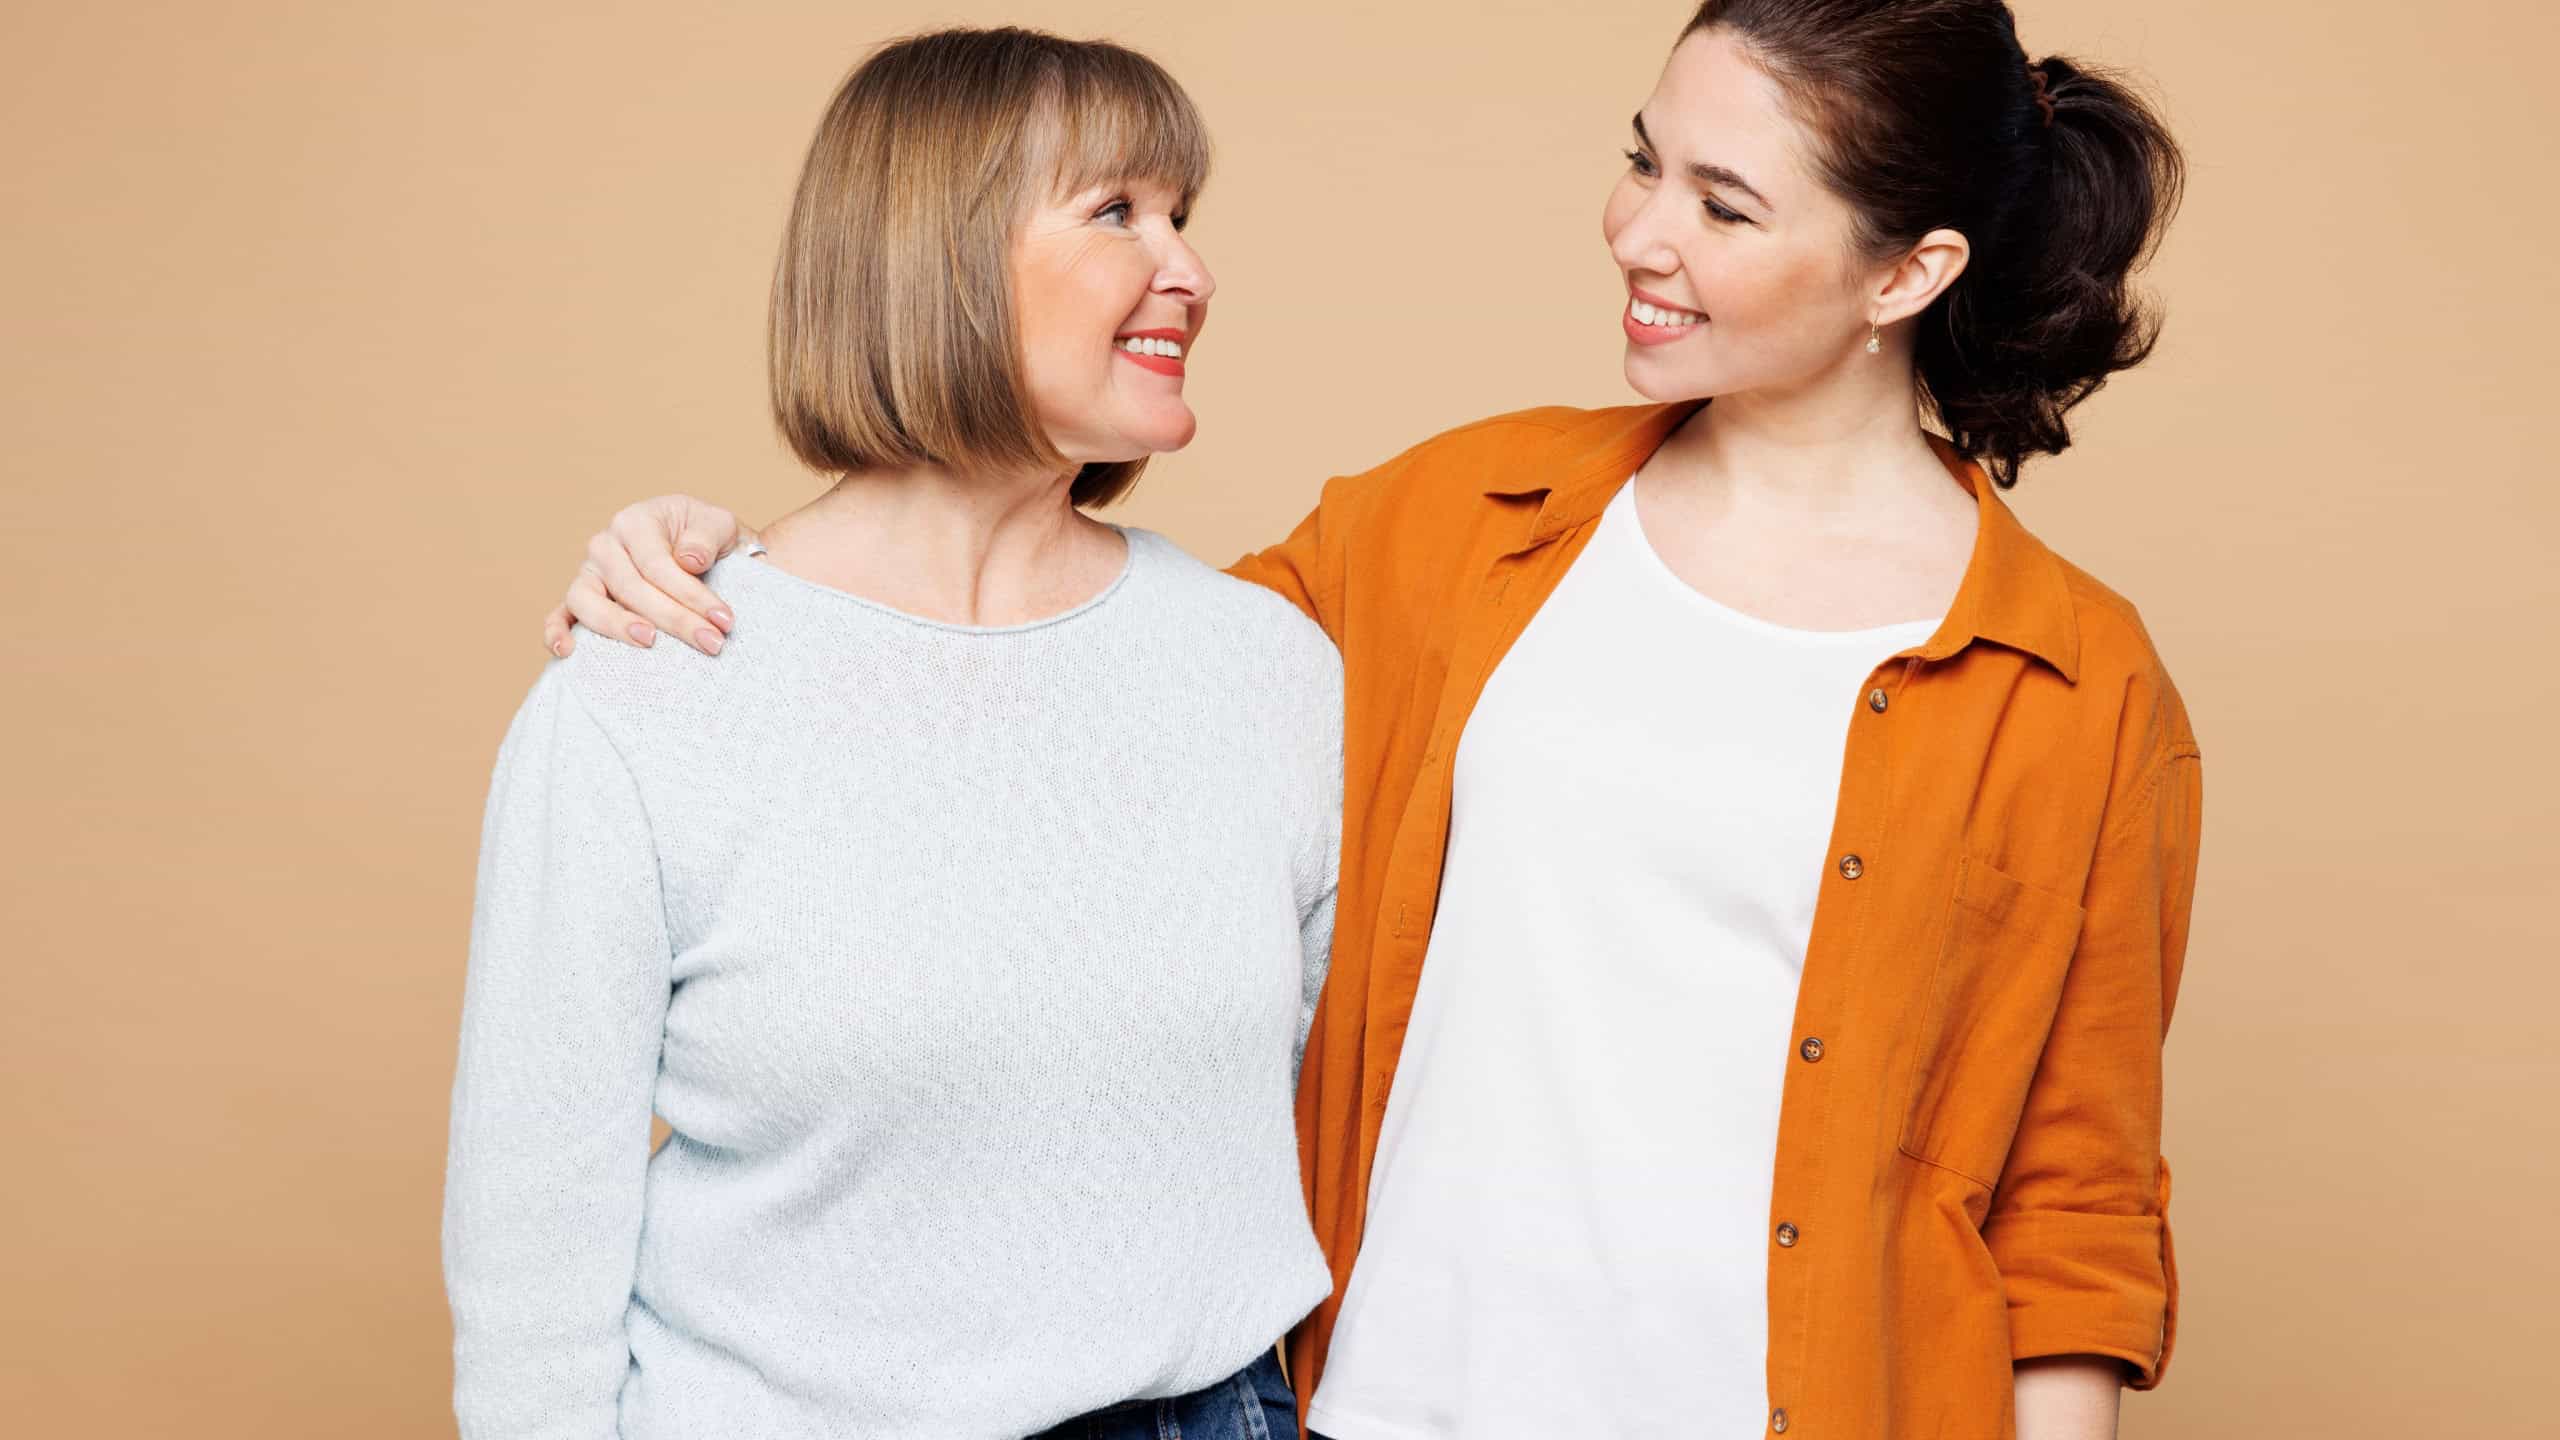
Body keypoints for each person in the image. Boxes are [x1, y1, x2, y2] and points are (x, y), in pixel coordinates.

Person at [543, 3, 2201, 1437]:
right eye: (1643, 162)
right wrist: (740, 572)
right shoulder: (1453, 524)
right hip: (1377, 1405)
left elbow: (2076, 1218)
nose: (1639, 233)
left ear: (1908, 270)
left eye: (1723, 203)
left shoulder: (2077, 685)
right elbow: (1043, 656)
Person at [444, 28, 1332, 1439]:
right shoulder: (651, 685)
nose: (1191, 271)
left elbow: (1335, 1104)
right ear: (941, 254)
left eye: (1184, 214)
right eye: (1117, 211)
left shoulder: (1265, 670)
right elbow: (533, 1258)